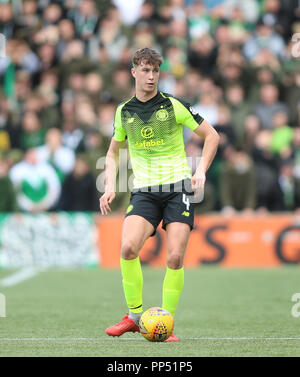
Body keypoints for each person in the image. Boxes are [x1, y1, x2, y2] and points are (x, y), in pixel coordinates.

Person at [100, 48, 219, 341]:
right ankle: (134, 316)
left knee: (175, 256)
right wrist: (110, 185)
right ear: (134, 73)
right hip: (144, 192)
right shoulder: (123, 111)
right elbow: (113, 150)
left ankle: (165, 326)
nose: (151, 76)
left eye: (155, 71)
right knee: (128, 248)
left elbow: (212, 136)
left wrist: (201, 170)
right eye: (145, 70)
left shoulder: (173, 105)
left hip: (178, 188)